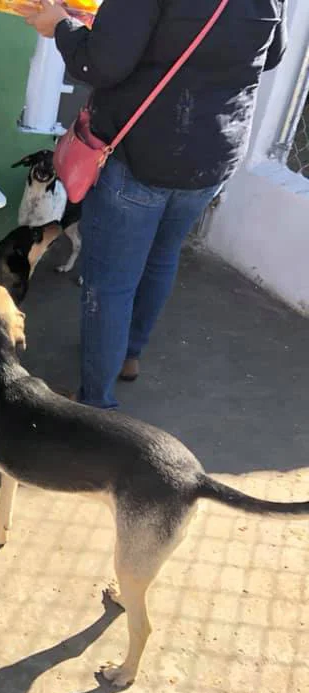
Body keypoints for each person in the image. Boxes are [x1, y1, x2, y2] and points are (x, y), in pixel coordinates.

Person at [20, 0, 287, 409]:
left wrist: (60, 26)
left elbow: (100, 65)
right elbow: (271, 55)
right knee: (161, 257)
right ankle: (128, 354)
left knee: (110, 285)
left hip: (141, 155)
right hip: (213, 157)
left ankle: (95, 406)